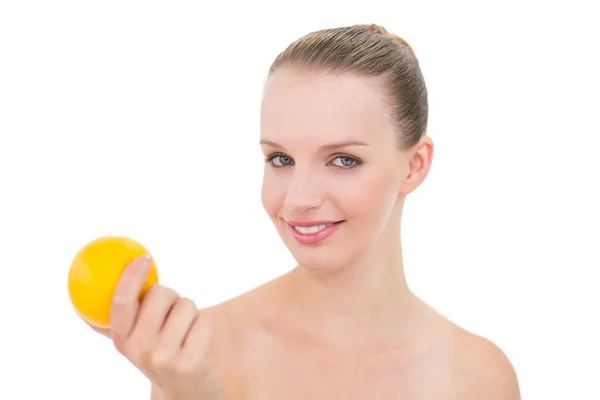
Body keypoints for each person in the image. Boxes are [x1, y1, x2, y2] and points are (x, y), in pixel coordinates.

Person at [90, 23, 521, 399]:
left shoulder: (479, 377)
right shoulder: (197, 354)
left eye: (343, 160)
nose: (298, 198)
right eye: (280, 159)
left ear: (415, 165)